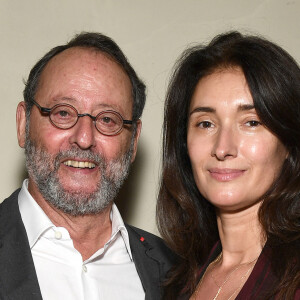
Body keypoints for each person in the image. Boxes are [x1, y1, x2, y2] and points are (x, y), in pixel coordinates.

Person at [0, 32, 175, 300]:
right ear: (23, 124)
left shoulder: (177, 275)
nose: (84, 138)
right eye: (63, 112)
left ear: (133, 141)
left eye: (107, 119)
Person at [157, 31, 300, 299]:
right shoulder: (176, 283)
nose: (223, 148)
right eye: (206, 124)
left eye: (251, 122)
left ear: (289, 143)